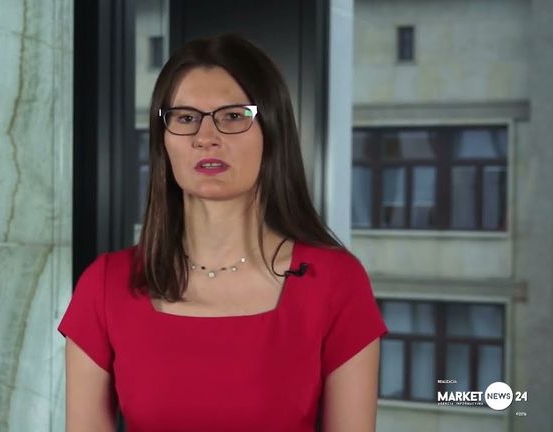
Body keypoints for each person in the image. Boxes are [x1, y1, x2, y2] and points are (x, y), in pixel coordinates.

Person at [59, 34, 387, 432]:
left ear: (272, 131)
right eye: (185, 118)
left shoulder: (336, 283)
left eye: (232, 116)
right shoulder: (105, 286)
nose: (206, 137)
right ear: (163, 140)